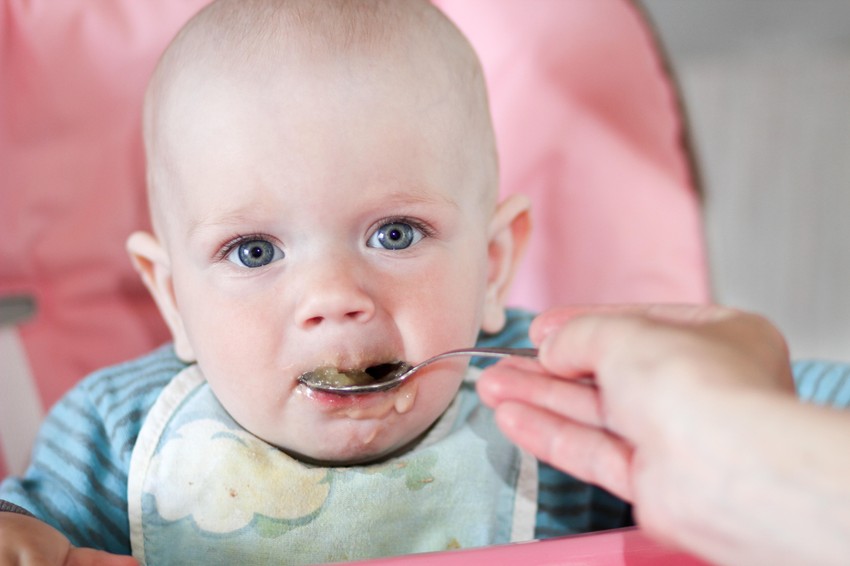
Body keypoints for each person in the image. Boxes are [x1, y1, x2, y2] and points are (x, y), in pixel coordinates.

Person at [0, 1, 635, 563]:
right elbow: (24, 523)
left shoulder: (557, 400)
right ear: (172, 297)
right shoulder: (122, 435)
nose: (334, 297)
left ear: (492, 265)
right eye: (253, 251)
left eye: (396, 234)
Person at [478, 304, 850, 566]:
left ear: (492, 265)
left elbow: (810, 401)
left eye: (415, 233)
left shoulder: (540, 375)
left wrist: (750, 432)